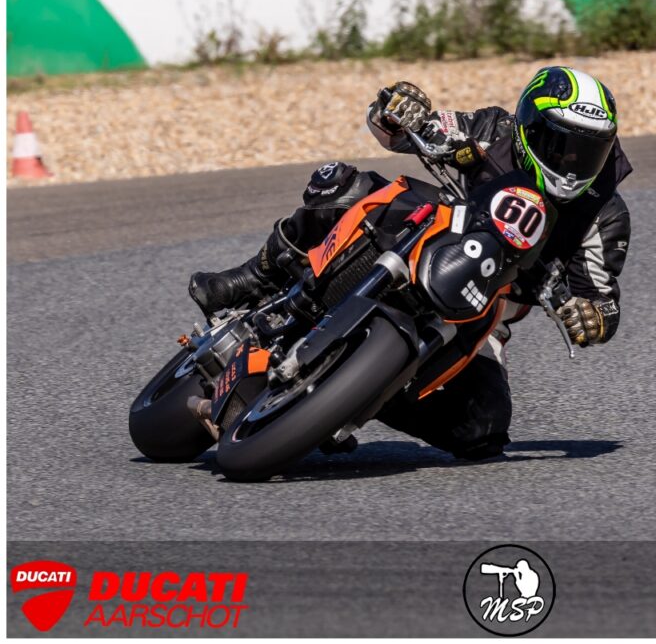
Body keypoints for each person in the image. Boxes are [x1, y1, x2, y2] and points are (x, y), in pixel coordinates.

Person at [189, 66, 632, 460]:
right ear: (528, 128)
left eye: (588, 151)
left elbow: (601, 300)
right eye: (561, 145)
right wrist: (398, 110)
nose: (572, 163)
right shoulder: (494, 129)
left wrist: (592, 318)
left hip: (490, 304)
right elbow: (400, 130)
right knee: (343, 186)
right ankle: (255, 276)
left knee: (483, 429)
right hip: (428, 227)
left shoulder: (604, 214)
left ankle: (352, 400)